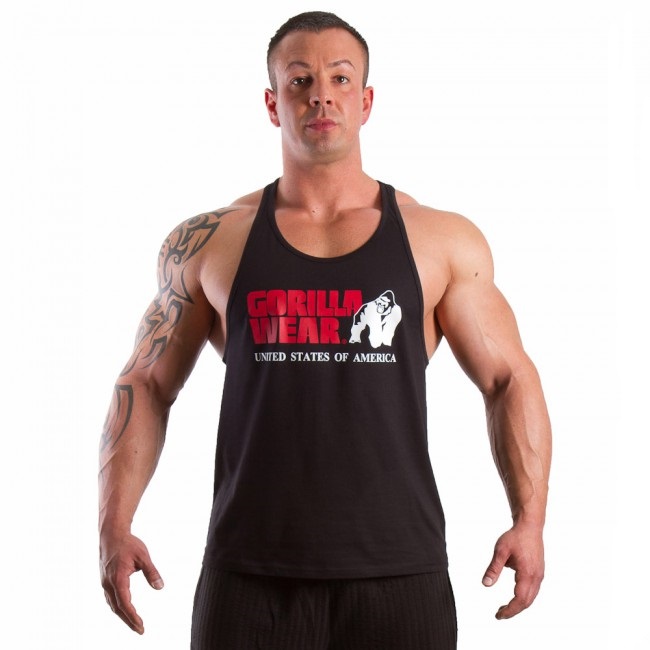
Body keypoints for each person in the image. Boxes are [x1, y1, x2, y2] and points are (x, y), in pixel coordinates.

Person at [99, 11, 552, 649]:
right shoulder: (210, 242)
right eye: (300, 80)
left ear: (365, 102)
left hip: (401, 573)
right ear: (272, 102)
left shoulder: (439, 239)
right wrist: (113, 525)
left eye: (340, 78)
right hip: (249, 575)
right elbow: (146, 383)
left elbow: (508, 378)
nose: (321, 95)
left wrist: (529, 521)